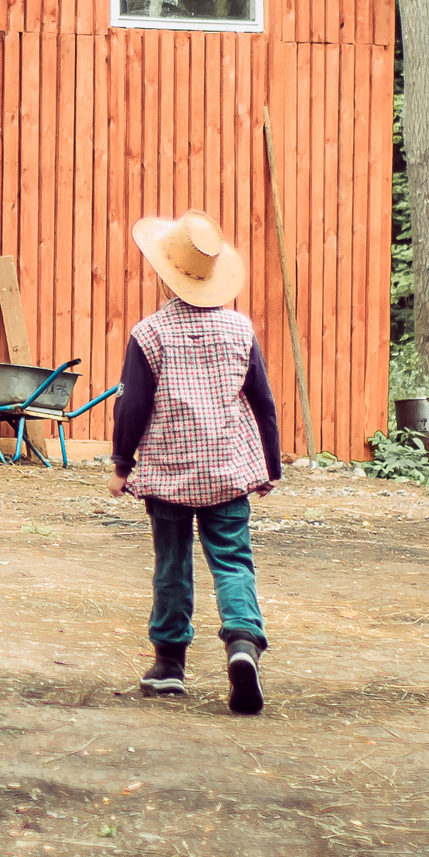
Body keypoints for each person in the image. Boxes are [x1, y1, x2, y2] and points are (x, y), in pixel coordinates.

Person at [104, 211, 280, 714]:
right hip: (228, 470)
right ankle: (243, 644)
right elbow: (262, 401)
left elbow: (131, 405)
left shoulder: (149, 334)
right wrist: (269, 465)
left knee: (172, 563)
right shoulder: (239, 329)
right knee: (233, 561)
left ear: (165, 273)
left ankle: (169, 665)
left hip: (169, 472)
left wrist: (121, 464)